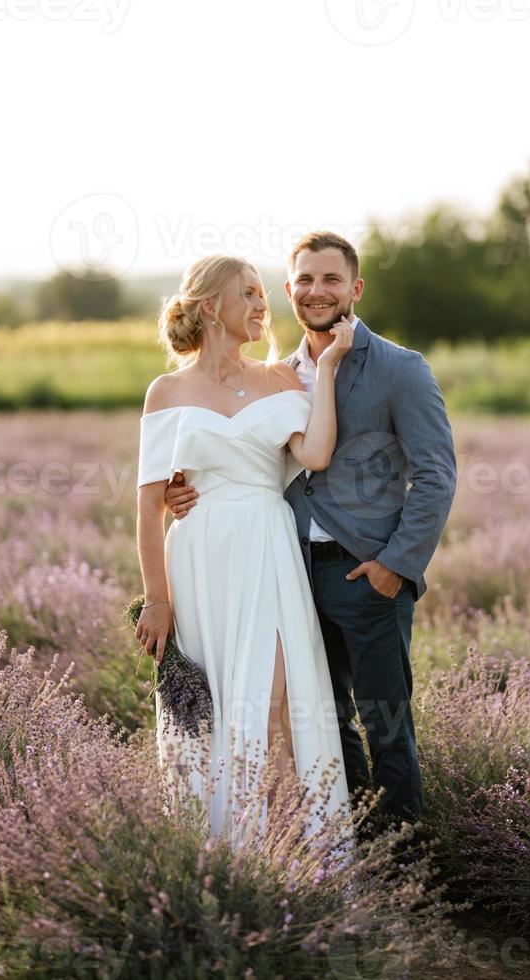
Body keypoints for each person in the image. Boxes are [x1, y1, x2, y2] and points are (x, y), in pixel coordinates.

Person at [166, 232, 458, 837]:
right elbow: (242, 452)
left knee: (387, 726)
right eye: (304, 280)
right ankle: (349, 844)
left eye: (331, 280)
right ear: (290, 289)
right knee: (321, 721)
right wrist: (181, 487)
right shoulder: (277, 374)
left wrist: (394, 567)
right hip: (287, 574)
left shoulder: (401, 369)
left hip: (368, 576)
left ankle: (403, 859)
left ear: (355, 288)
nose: (316, 291)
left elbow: (436, 476)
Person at [135, 254, 355, 848]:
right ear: (212, 306)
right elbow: (150, 506)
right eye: (251, 294)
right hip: (199, 559)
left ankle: (280, 851)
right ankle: (214, 854)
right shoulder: (166, 391)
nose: (264, 305)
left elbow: (314, 456)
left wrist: (328, 369)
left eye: (263, 294)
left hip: (268, 548)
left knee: (275, 703)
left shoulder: (279, 378)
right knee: (207, 714)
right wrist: (158, 600)